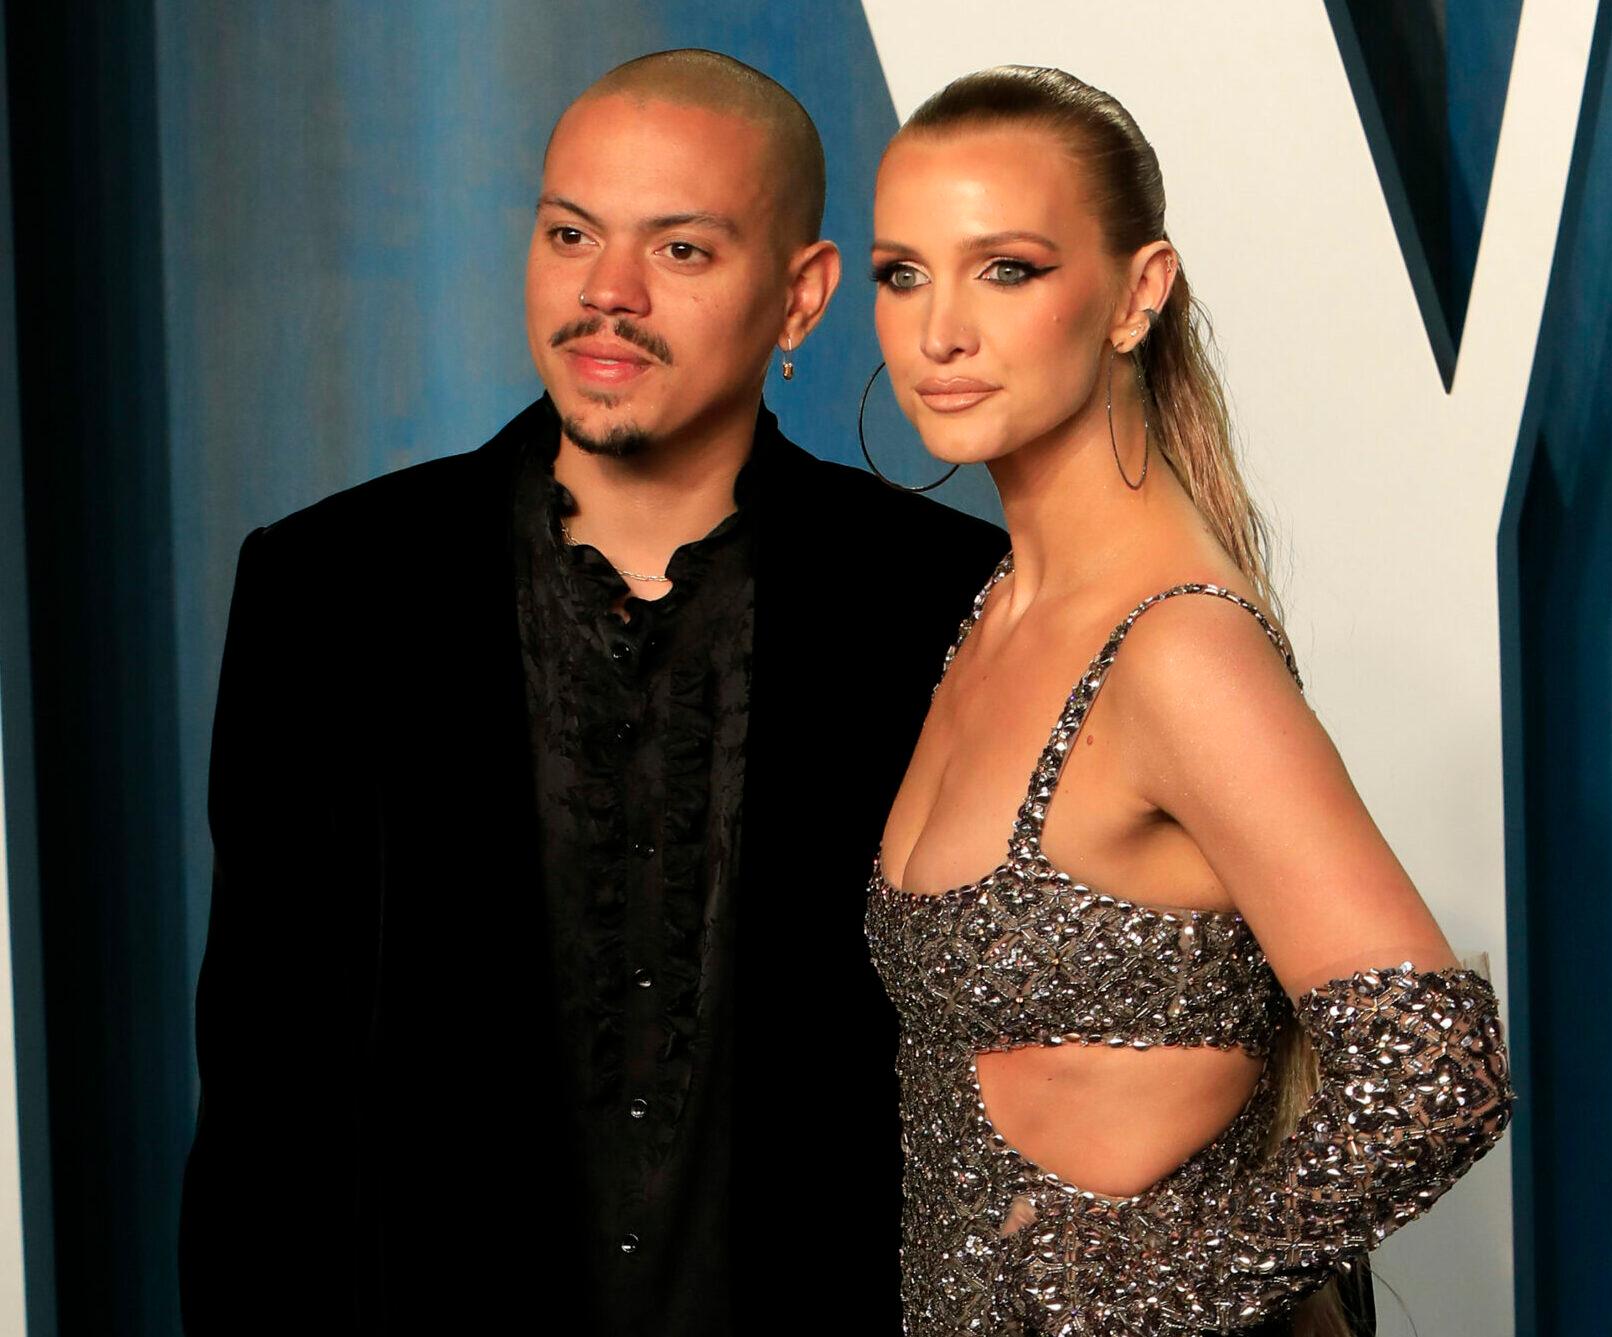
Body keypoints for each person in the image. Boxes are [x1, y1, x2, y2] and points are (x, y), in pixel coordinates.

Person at [177, 50, 1005, 1335]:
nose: (605, 294)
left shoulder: (946, 599)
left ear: (802, 296)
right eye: (571, 233)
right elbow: (266, 1093)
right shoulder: (331, 588)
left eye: (679, 250)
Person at [861, 66, 1512, 1336]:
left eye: (1006, 269)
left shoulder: (1174, 651)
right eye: (902, 273)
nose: (937, 330)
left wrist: (1137, 1289)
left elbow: (1437, 1068)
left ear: (1136, 294)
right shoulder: (997, 613)